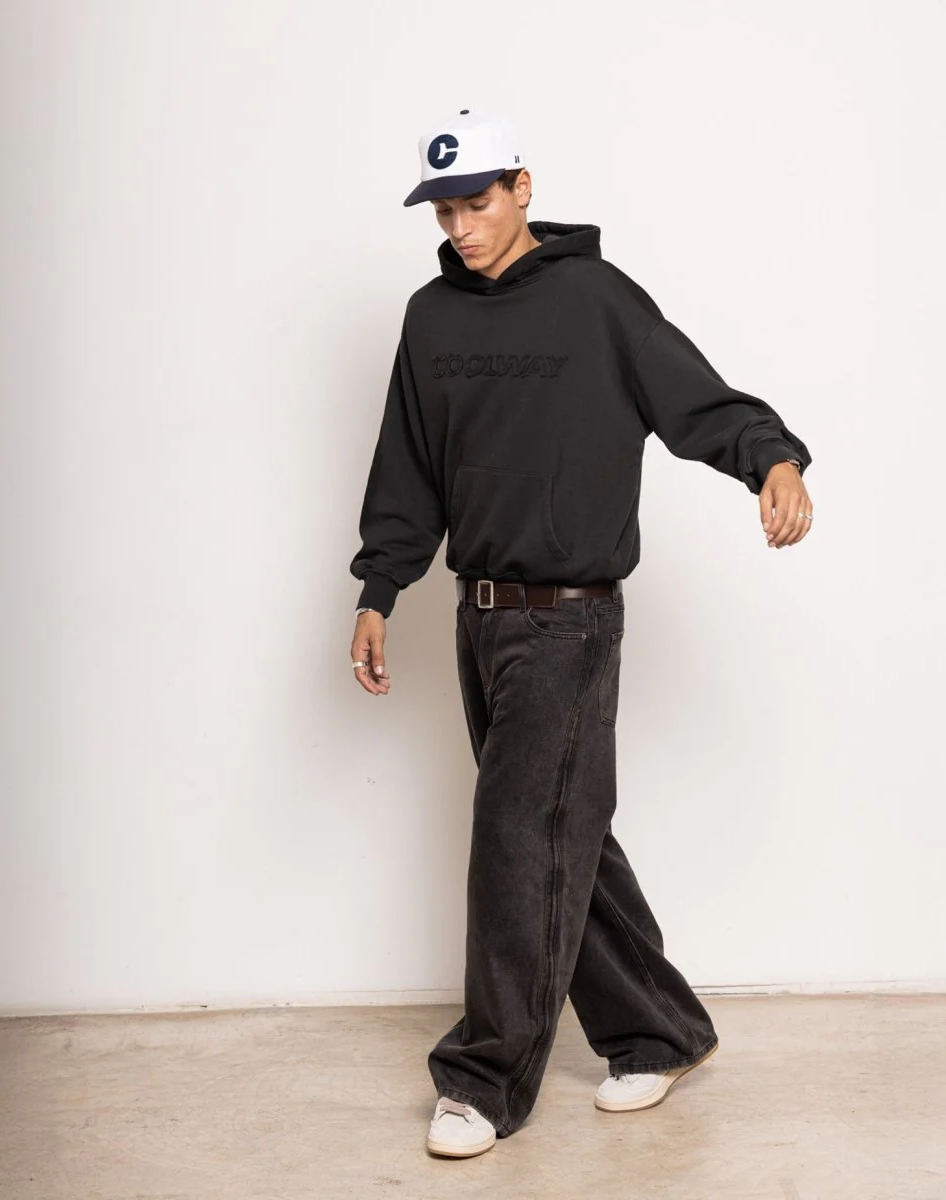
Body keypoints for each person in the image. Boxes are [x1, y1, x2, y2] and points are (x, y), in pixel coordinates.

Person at [348, 108, 814, 1158]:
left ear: (521, 188)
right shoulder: (430, 317)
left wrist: (772, 458)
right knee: (561, 831)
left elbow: (696, 400)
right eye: (442, 211)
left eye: (476, 203)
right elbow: (406, 467)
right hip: (476, 618)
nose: (460, 228)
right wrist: (379, 589)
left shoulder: (596, 300)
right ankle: (658, 1031)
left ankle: (484, 1081)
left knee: (518, 838)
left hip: (568, 621)